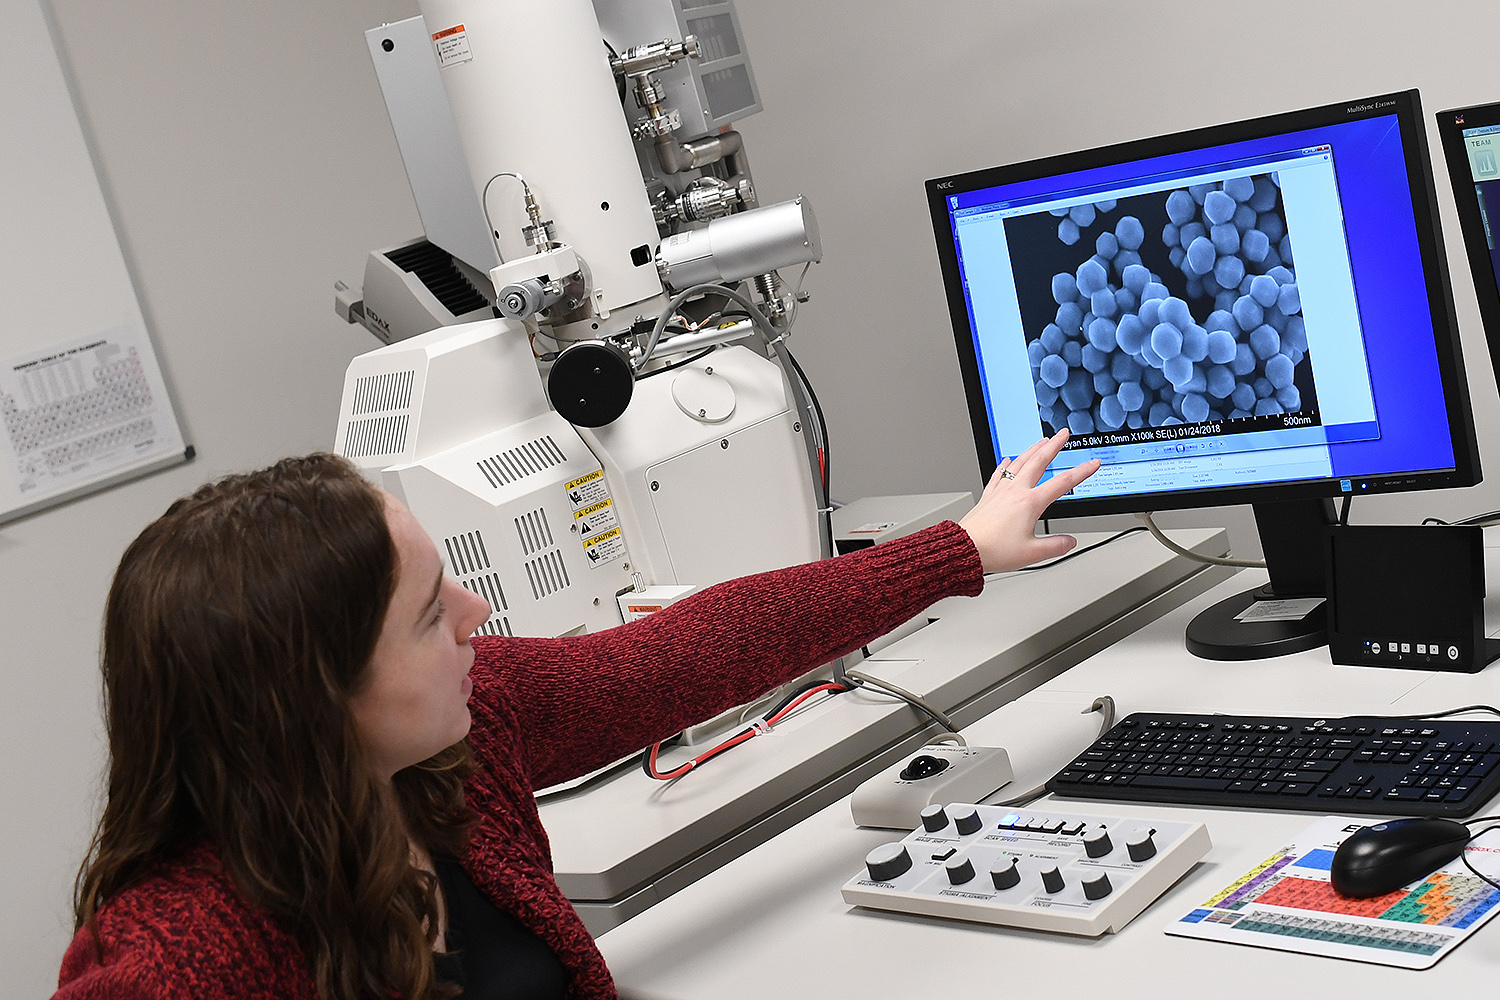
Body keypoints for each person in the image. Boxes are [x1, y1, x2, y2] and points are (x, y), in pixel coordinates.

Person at [55, 431, 1099, 1000]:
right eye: (430, 615)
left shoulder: (458, 744)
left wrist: (960, 547)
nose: (476, 616)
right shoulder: (174, 960)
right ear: (312, 705)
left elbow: (688, 653)